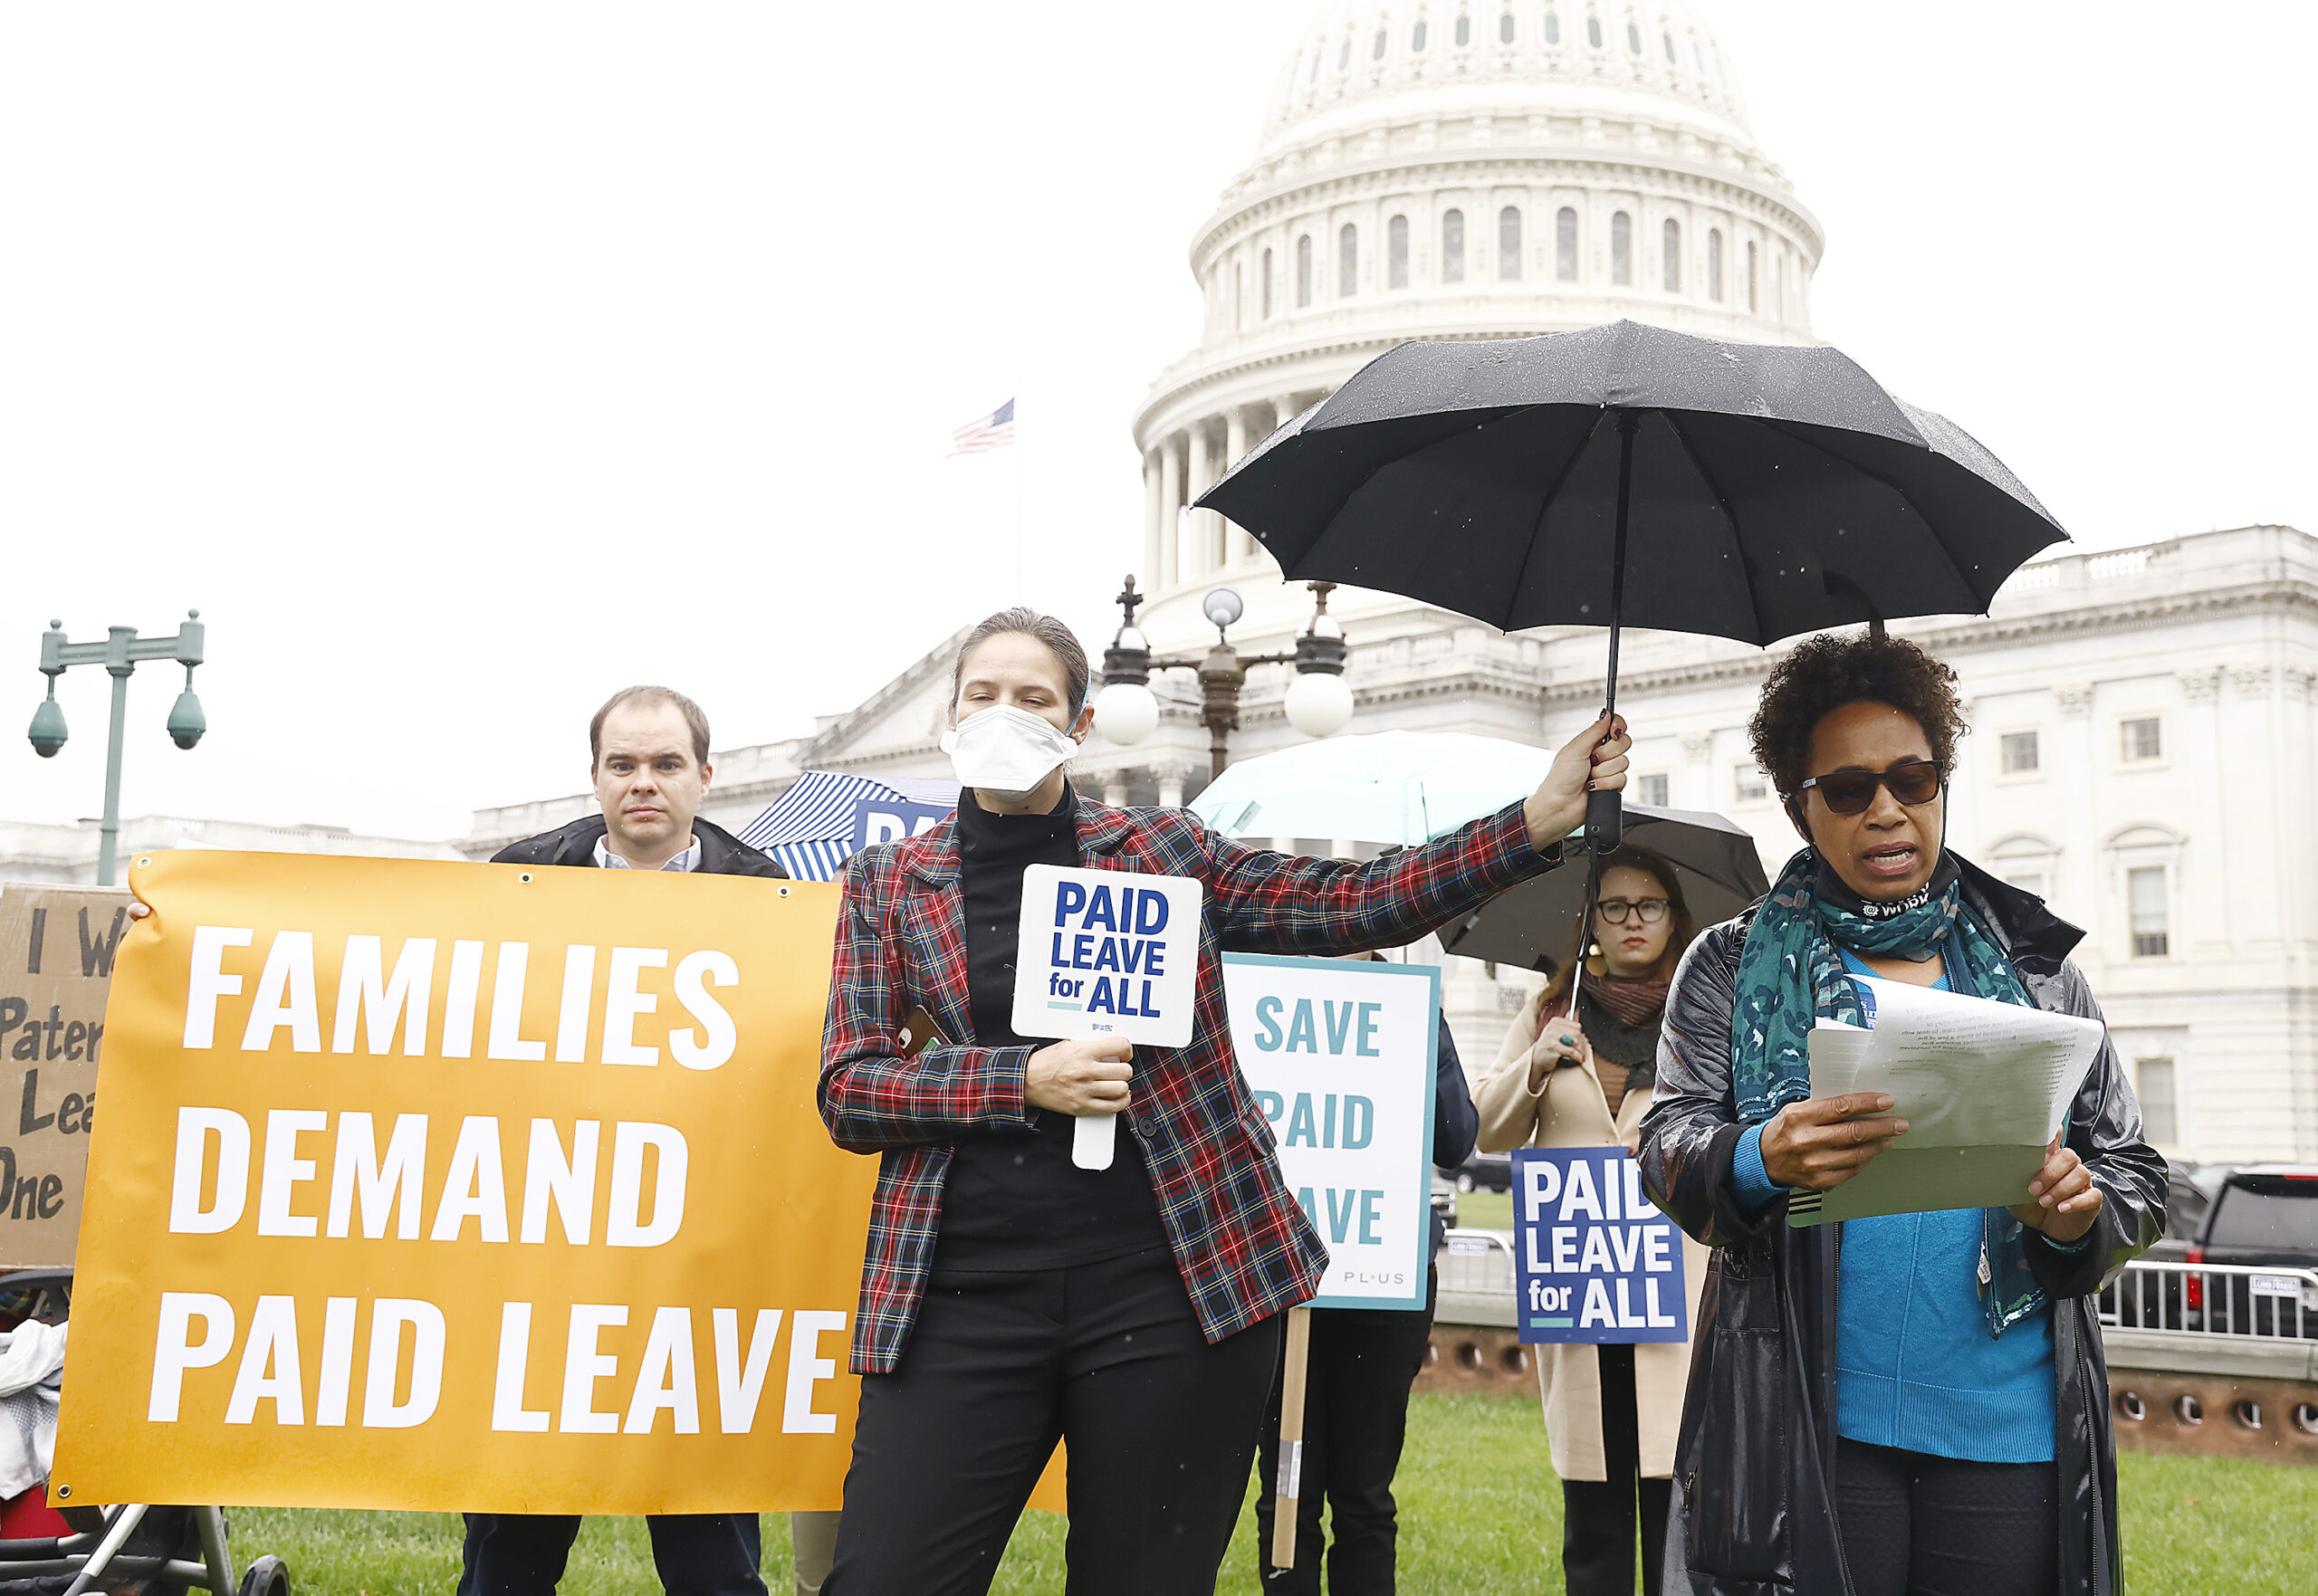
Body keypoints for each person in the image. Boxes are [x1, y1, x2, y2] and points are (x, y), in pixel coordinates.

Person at [817, 607, 1629, 1596]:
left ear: (1077, 727)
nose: (1002, 713)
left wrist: (1530, 824)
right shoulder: (892, 880)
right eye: (981, 694)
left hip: (1170, 1288)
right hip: (962, 1293)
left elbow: (1353, 900)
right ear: (948, 717)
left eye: (1032, 698)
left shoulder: (1164, 851)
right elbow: (850, 1086)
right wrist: (1021, 1078)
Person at [1636, 630, 2166, 1596]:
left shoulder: (2040, 971)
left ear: (1940, 786)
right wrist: (1759, 1153)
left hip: (2007, 1421)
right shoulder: (1725, 961)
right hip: (1811, 1415)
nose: (1884, 808)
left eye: (1911, 779)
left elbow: (2134, 1168)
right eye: (1847, 788)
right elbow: (1668, 1145)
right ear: (1800, 805)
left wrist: (2078, 1209)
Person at [460, 684, 781, 1596]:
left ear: (704, 776)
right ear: (595, 776)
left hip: (696, 1261)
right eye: (624, 764)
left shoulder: (772, 897)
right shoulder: (513, 878)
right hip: (545, 1250)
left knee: (712, 1554)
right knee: (506, 1556)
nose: (645, 782)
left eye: (667, 764)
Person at [1472, 845, 1707, 1596]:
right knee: (1594, 1519)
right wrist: (1536, 1063)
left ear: (1675, 919)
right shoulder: (1551, 1012)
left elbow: (1737, 1130)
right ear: (1592, 921)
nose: (1633, 920)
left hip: (1669, 1284)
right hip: (1581, 1282)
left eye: (1650, 905)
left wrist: (1675, 1141)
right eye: (1615, 906)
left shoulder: (1704, 1017)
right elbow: (1486, 1129)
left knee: (1673, 1510)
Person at [1251, 988, 1479, 1594]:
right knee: (1287, 1489)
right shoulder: (1263, 993)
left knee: (1364, 1497)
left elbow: (1457, 1138)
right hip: (1282, 1282)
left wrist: (1423, 1045)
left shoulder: (1411, 1009)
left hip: (1383, 1280)